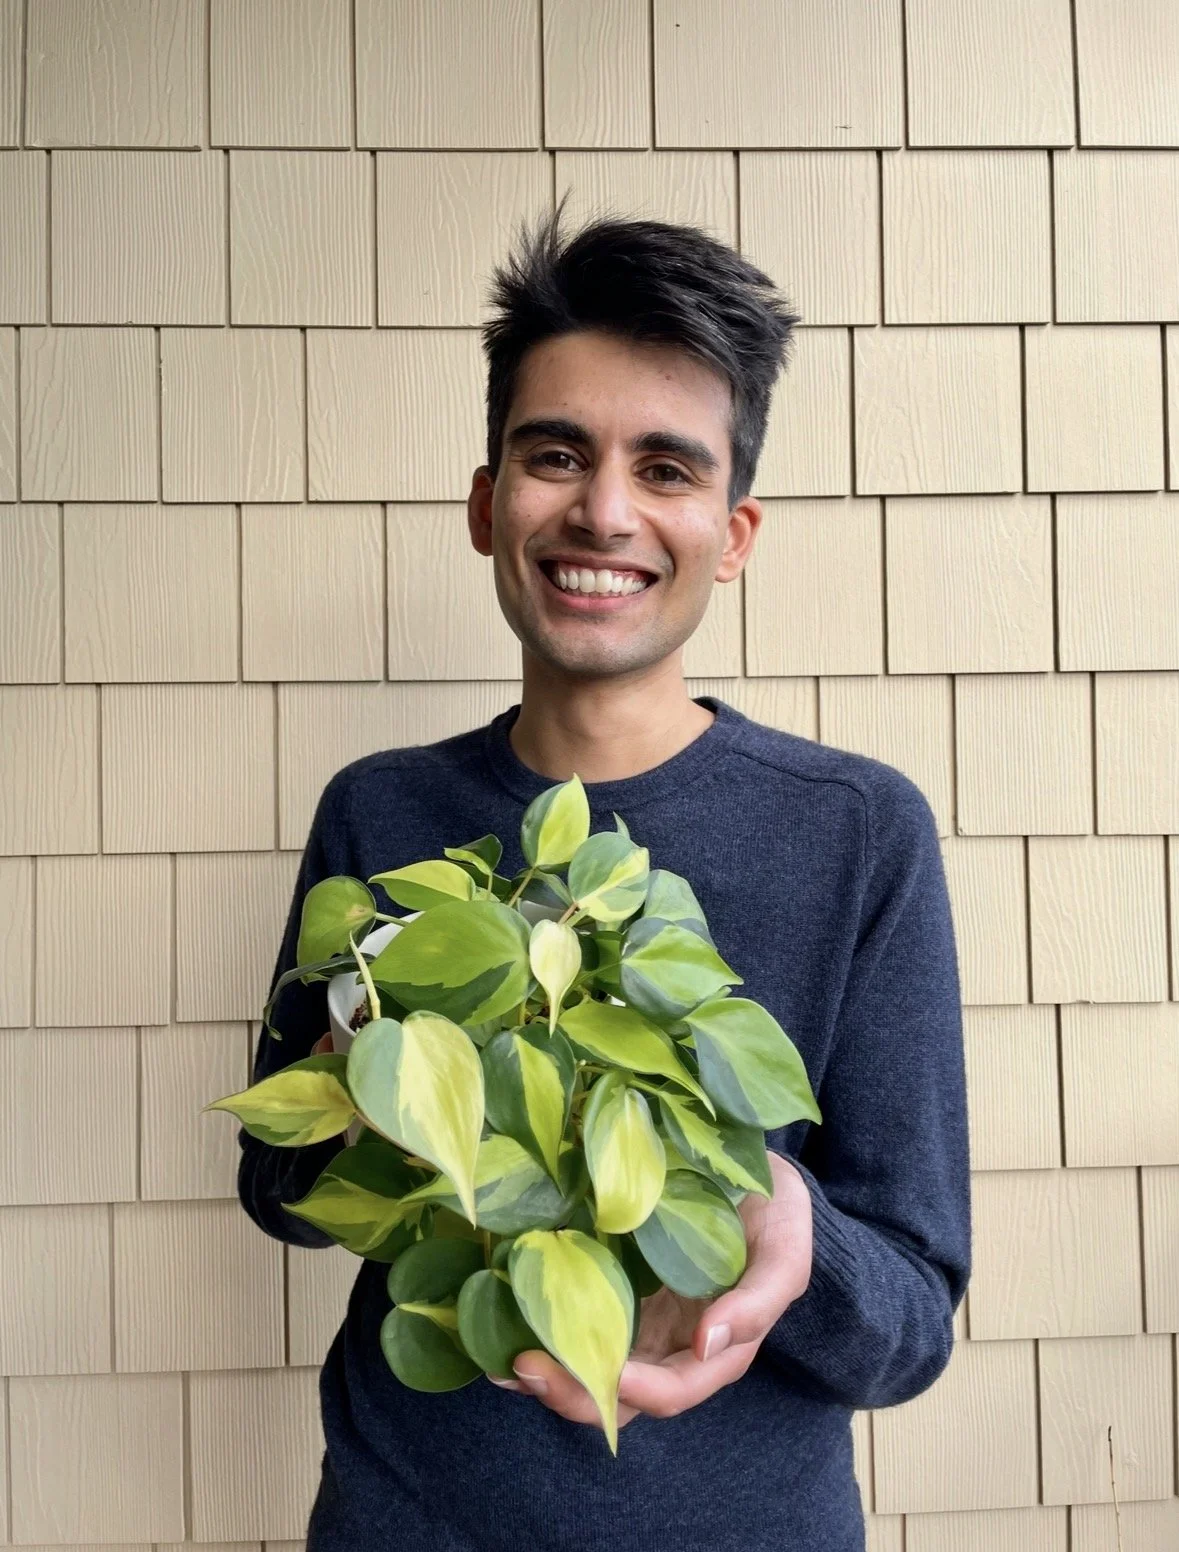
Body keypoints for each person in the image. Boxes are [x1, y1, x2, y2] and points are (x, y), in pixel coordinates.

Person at [238, 196, 972, 1552]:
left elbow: (910, 1325)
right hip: (405, 1525)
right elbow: (278, 1188)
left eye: (667, 468)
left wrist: (780, 1218)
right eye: (556, 454)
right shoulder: (381, 810)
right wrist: (392, 1080)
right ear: (485, 503)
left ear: (734, 532)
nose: (604, 511)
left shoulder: (858, 832)